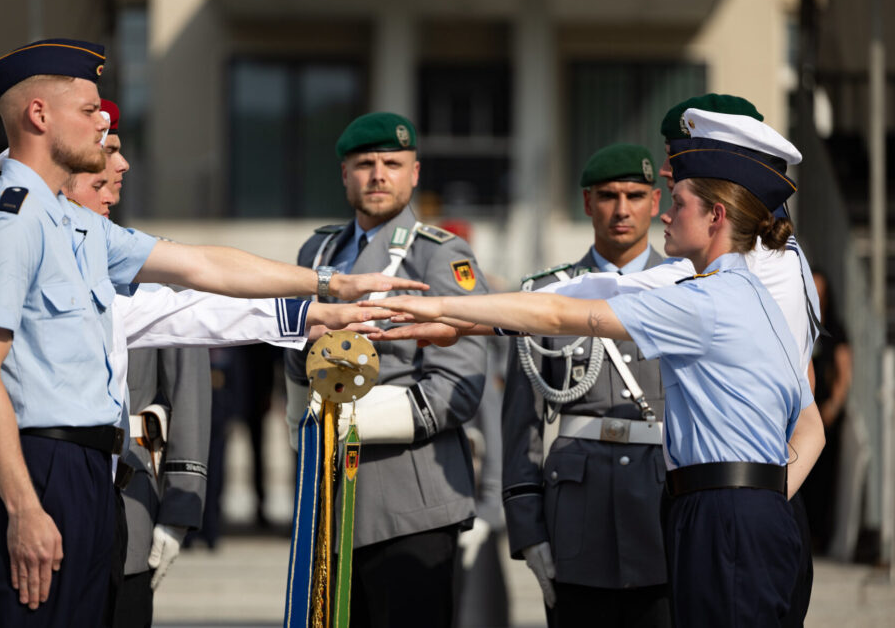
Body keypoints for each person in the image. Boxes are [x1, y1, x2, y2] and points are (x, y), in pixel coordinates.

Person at [0, 38, 424, 628]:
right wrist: (23, 506)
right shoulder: (10, 221)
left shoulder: (72, 223)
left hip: (91, 468)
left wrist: (325, 285)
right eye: (88, 109)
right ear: (39, 115)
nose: (102, 122)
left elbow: (200, 268)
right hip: (40, 464)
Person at [368, 108, 826, 625]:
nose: (665, 216)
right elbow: (811, 429)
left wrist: (441, 307)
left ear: (716, 216)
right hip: (738, 511)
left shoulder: (706, 300)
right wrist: (760, 495)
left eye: (676, 203)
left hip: (722, 514)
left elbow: (563, 311)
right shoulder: (756, 292)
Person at [283, 112, 489, 627]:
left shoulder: (441, 256)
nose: (378, 175)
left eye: (392, 164)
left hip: (409, 500)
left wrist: (351, 421)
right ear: (344, 174)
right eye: (365, 164)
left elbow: (459, 384)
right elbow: (295, 358)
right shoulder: (318, 251)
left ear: (414, 173)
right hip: (328, 494)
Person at [503, 143, 670, 627]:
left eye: (635, 195)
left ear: (655, 202)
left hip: (662, 510)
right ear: (586, 203)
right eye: (608, 196)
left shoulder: (687, 287)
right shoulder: (548, 294)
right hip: (576, 516)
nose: (622, 209)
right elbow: (521, 424)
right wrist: (528, 528)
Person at [801, 269, 852, 553]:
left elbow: (845, 371)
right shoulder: (799, 323)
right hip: (803, 413)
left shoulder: (836, 329)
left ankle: (821, 536)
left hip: (825, 416)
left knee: (824, 480)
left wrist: (833, 405)